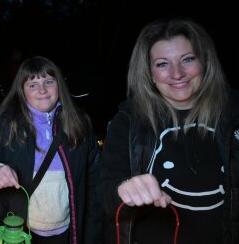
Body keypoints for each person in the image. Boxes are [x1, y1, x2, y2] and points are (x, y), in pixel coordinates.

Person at [97, 17, 239, 244]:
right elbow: (105, 192)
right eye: (162, 64)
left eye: (188, 59)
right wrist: (123, 190)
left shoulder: (233, 112)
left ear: (204, 62)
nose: (177, 73)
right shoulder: (128, 121)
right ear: (150, 74)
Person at [0, 56, 102, 244]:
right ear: (22, 91)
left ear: (59, 86)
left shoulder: (79, 123)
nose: (42, 90)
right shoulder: (6, 124)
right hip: (21, 233)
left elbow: (94, 184)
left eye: (49, 81)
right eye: (32, 85)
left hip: (68, 233)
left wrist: (91, 235)